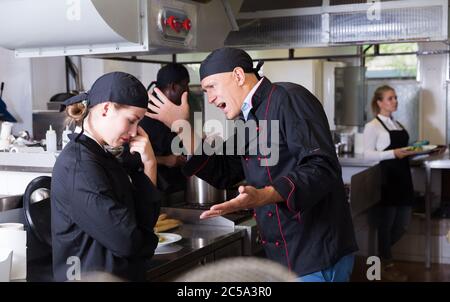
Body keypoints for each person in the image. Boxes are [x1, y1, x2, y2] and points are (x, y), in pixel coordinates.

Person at [147, 47, 358, 282]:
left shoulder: (288, 98)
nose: (210, 99)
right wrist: (180, 125)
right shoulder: (249, 119)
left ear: (238, 75)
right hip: (287, 255)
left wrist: (264, 196)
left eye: (212, 87)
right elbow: (223, 171)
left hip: (316, 251)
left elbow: (321, 167)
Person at [51, 72, 160, 281]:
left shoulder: (103, 155)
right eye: (131, 121)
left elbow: (144, 219)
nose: (135, 132)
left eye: (139, 123)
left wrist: (150, 163)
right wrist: (143, 239)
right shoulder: (80, 166)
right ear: (107, 109)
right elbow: (127, 240)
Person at [363, 85, 415, 282]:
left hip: (403, 179)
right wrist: (393, 153)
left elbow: (402, 149)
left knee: (402, 225)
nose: (395, 101)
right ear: (379, 103)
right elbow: (367, 155)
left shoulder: (397, 124)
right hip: (386, 180)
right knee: (385, 226)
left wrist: (417, 151)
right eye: (390, 98)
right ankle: (385, 265)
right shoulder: (372, 126)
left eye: (395, 98)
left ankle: (378, 254)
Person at [140, 63, 189, 195]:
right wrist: (166, 160)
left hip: (176, 188)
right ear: (173, 87)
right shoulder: (146, 114)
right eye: (185, 87)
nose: (187, 92)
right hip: (156, 191)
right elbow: (129, 157)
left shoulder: (174, 112)